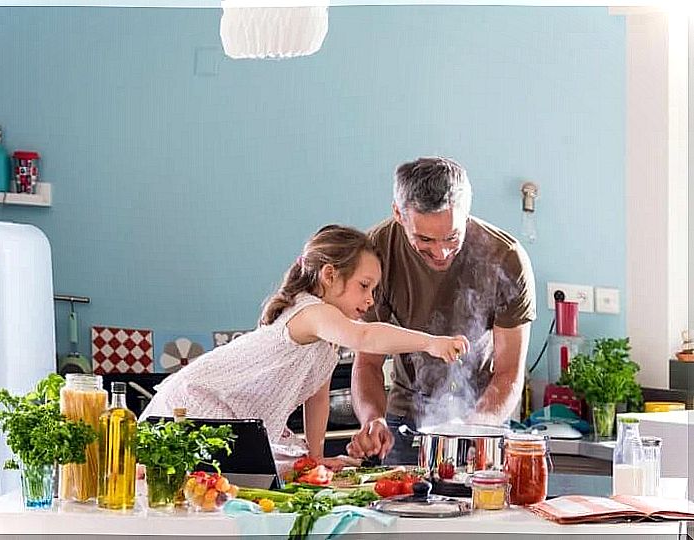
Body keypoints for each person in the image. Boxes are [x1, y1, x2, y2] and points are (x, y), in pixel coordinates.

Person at [140, 224, 469, 470]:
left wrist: (316, 457)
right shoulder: (309, 311)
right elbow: (365, 337)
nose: (370, 299)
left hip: (234, 419)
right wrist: (430, 342)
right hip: (197, 403)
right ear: (329, 275)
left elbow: (317, 397)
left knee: (294, 467)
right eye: (364, 286)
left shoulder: (326, 338)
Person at [347, 156, 536, 464]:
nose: (441, 252)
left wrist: (474, 428)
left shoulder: (506, 258)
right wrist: (373, 420)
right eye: (424, 239)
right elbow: (367, 361)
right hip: (404, 420)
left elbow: (508, 373)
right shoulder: (375, 252)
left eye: (452, 237)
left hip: (482, 420)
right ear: (398, 213)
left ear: (467, 212)